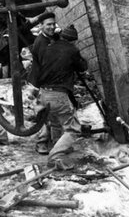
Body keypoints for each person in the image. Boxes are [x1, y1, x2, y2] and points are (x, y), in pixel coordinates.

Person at [30, 24, 87, 170]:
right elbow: (83, 67)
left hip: (43, 93)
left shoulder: (49, 47)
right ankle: (56, 156)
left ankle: (56, 145)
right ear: (73, 41)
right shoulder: (71, 49)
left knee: (55, 122)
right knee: (74, 129)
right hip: (58, 94)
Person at [28, 12, 60, 154]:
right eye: (48, 25)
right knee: (44, 113)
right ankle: (42, 143)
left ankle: (54, 141)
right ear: (41, 26)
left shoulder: (50, 38)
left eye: (53, 24)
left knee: (52, 112)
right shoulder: (40, 43)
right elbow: (46, 67)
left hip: (50, 82)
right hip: (41, 83)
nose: (52, 27)